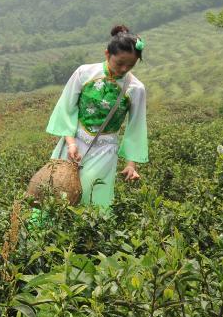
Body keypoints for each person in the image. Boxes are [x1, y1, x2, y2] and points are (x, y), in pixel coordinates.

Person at [45, 25, 148, 209]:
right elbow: (67, 108)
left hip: (105, 150)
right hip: (73, 142)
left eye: (130, 65)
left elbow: (135, 128)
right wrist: (70, 143)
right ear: (107, 54)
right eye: (119, 63)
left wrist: (131, 165)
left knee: (90, 198)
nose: (123, 69)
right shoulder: (84, 73)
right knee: (55, 192)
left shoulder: (136, 89)